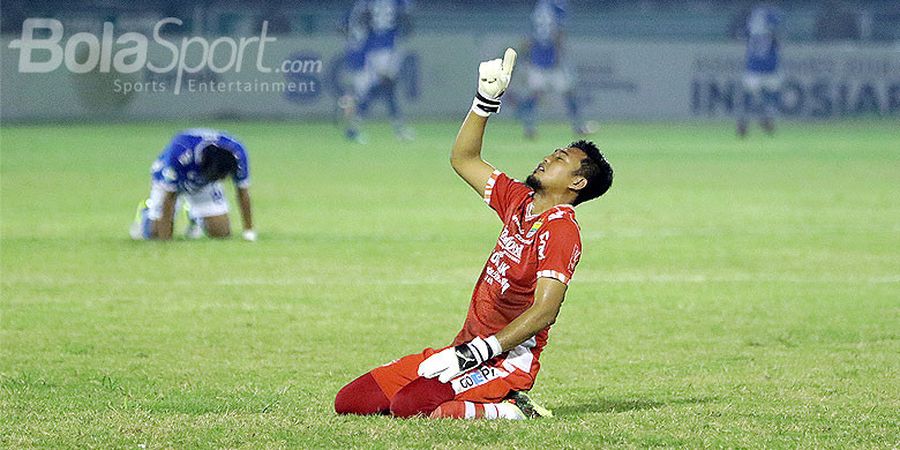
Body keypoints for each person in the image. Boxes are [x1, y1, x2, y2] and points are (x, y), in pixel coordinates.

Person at [334, 49, 613, 420]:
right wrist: (485, 102)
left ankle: (513, 407)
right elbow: (464, 159)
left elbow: (546, 310)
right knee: (352, 402)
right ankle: (468, 391)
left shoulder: (561, 229)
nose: (547, 158)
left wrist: (480, 351)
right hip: (465, 350)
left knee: (411, 408)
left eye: (560, 158)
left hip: (502, 359)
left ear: (578, 182)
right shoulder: (519, 200)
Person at [130, 129, 255, 241]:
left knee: (221, 233)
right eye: (219, 177)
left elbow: (242, 192)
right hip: (169, 178)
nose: (222, 179)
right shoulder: (180, 152)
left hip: (204, 183)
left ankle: (194, 216)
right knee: (155, 234)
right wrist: (165, 240)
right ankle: (146, 212)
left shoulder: (237, 153)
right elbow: (170, 197)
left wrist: (248, 232)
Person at [517, 0, 593, 139]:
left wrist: (526, 57)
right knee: (569, 92)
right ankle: (578, 126)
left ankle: (529, 127)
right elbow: (559, 32)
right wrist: (559, 56)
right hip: (552, 59)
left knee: (535, 94)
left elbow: (529, 35)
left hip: (536, 58)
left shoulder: (540, 5)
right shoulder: (559, 5)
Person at [343, 0, 414, 143]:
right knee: (383, 88)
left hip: (373, 48)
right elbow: (406, 15)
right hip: (386, 48)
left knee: (384, 89)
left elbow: (357, 18)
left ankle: (355, 127)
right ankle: (397, 129)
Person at [737, 5, 782, 137]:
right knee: (769, 97)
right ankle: (764, 120)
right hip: (767, 68)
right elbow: (778, 42)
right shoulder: (770, 30)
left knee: (751, 98)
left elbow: (740, 35)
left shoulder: (752, 29)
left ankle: (745, 122)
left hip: (754, 68)